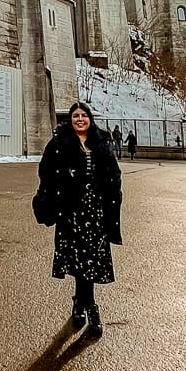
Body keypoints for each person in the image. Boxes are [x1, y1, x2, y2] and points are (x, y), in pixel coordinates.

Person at [35, 102, 122, 337]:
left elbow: (114, 175)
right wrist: (54, 190)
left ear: (90, 119)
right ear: (70, 120)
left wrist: (111, 205)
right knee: (78, 261)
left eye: (84, 115)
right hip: (70, 211)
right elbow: (45, 171)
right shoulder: (59, 143)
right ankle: (89, 306)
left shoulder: (101, 144)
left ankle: (83, 304)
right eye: (76, 116)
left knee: (90, 261)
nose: (80, 119)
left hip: (95, 213)